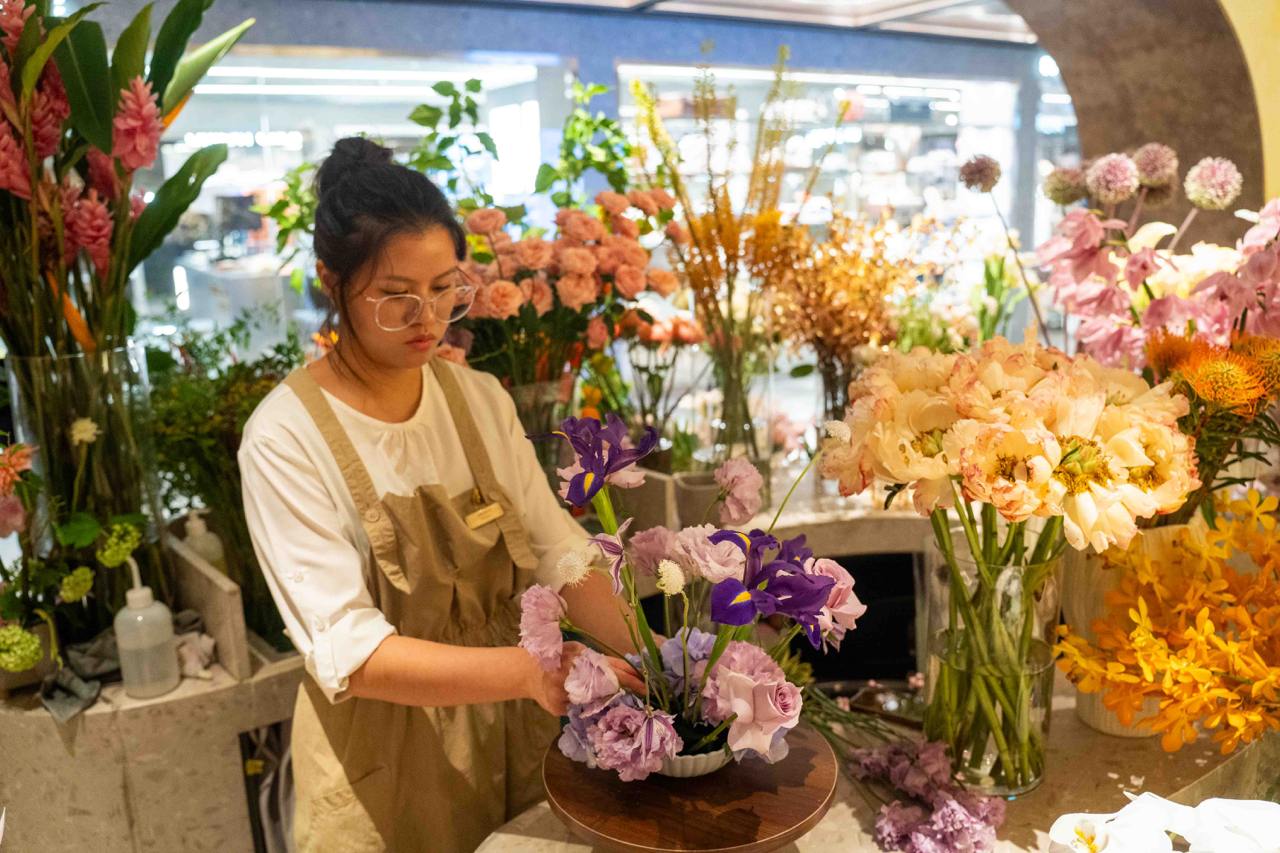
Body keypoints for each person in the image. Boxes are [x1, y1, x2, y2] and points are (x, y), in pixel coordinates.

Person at [239, 137, 643, 853]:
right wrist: (532, 670)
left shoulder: (478, 398)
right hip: (385, 764)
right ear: (331, 280)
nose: (427, 317)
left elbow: (558, 549)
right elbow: (353, 652)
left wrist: (657, 653)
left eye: (444, 288)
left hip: (513, 734)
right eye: (396, 297)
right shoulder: (285, 436)